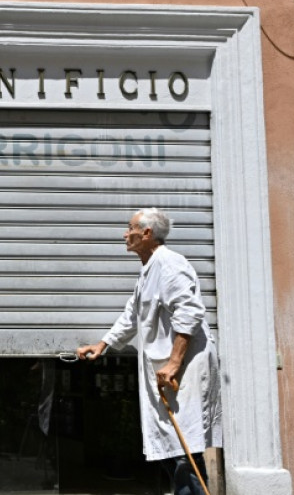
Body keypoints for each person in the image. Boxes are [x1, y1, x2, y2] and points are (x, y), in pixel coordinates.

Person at [77, 208, 222, 495]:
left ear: (146, 233)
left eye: (129, 228)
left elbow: (190, 313)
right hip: (169, 372)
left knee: (184, 451)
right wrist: (103, 344)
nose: (124, 234)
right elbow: (132, 315)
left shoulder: (170, 265)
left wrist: (174, 362)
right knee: (172, 449)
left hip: (184, 372)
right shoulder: (149, 269)